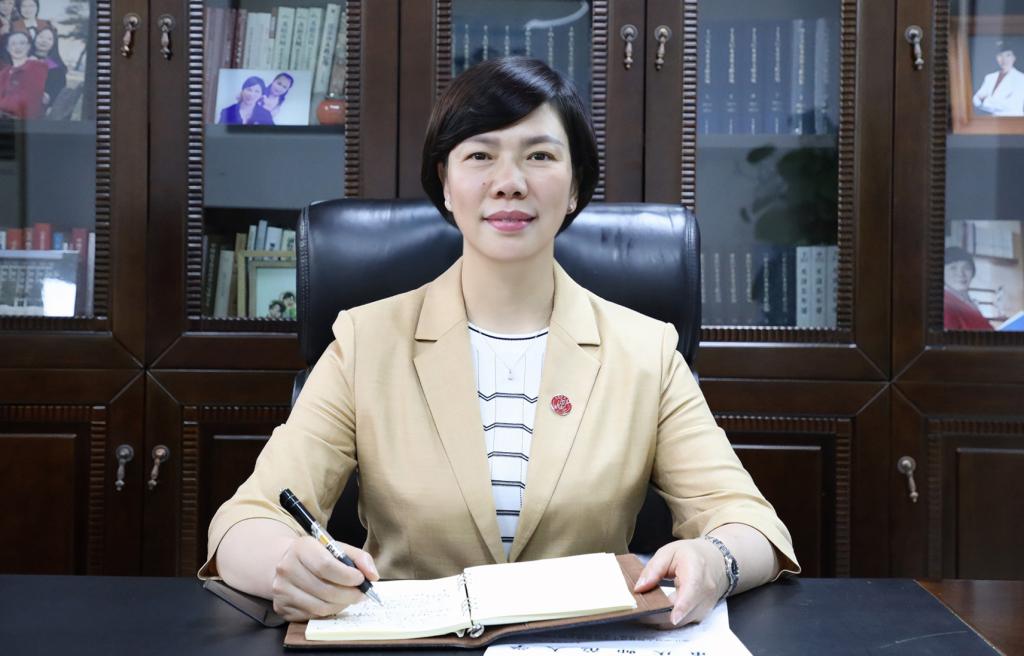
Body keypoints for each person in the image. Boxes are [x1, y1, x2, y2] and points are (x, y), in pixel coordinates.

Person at [200, 57, 799, 627]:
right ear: (446, 182)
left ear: (575, 186)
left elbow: (751, 524)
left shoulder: (646, 351)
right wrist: (284, 563)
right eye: (480, 155)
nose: (509, 183)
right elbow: (244, 522)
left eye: (539, 155)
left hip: (579, 646)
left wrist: (714, 561)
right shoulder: (365, 342)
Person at [943, 246, 993, 330]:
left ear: (973, 271)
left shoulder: (967, 301)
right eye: (953, 268)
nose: (961, 274)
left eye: (966, 267)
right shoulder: (945, 304)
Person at [0, 30, 46, 118]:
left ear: (29, 46)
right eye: (13, 44)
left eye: (22, 43)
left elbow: (31, 100)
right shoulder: (4, 72)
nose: (18, 47)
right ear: (7, 48)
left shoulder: (37, 67)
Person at [972, 42, 1024, 116]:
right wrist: (994, 102)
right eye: (1000, 55)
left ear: (1014, 57)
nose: (1004, 59)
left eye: (1008, 55)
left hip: (1013, 120)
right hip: (994, 120)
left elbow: (1010, 105)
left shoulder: (1021, 78)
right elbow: (975, 100)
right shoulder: (990, 77)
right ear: (996, 58)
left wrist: (984, 100)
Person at [30, 26, 64, 111]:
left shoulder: (57, 69)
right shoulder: (21, 57)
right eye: (41, 37)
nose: (44, 41)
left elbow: (57, 91)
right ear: (35, 38)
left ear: (54, 43)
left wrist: (49, 97)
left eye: (49, 39)